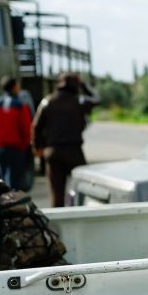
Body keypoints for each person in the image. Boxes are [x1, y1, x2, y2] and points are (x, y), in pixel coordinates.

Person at [32, 72, 97, 207]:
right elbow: (96, 99)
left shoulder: (47, 101)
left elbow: (36, 127)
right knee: (83, 191)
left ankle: (58, 226)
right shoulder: (79, 101)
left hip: (53, 152)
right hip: (74, 152)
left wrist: (37, 148)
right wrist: (84, 86)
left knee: (56, 195)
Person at [0, 76, 33, 190]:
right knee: (14, 179)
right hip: (17, 147)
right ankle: (11, 201)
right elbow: (27, 128)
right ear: (15, 87)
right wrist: (25, 144)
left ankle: (4, 201)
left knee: (2, 177)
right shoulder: (21, 106)